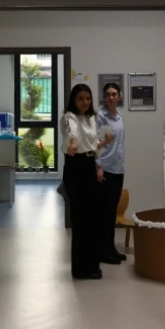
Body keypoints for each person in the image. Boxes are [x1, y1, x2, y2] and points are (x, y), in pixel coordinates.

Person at [60, 83, 113, 280]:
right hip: (76, 167)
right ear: (74, 100)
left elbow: (91, 145)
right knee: (80, 220)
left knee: (91, 219)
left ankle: (91, 265)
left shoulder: (91, 118)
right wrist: (73, 143)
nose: (85, 102)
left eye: (88, 99)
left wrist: (104, 143)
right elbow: (73, 133)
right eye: (81, 99)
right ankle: (80, 269)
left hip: (89, 165)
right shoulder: (69, 117)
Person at [96, 81, 126, 265]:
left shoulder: (119, 116)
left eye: (114, 94)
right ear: (104, 97)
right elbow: (97, 142)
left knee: (112, 211)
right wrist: (98, 166)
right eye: (108, 94)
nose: (111, 97)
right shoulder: (101, 116)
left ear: (119, 96)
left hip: (118, 168)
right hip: (105, 169)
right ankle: (102, 251)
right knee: (104, 213)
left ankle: (111, 248)